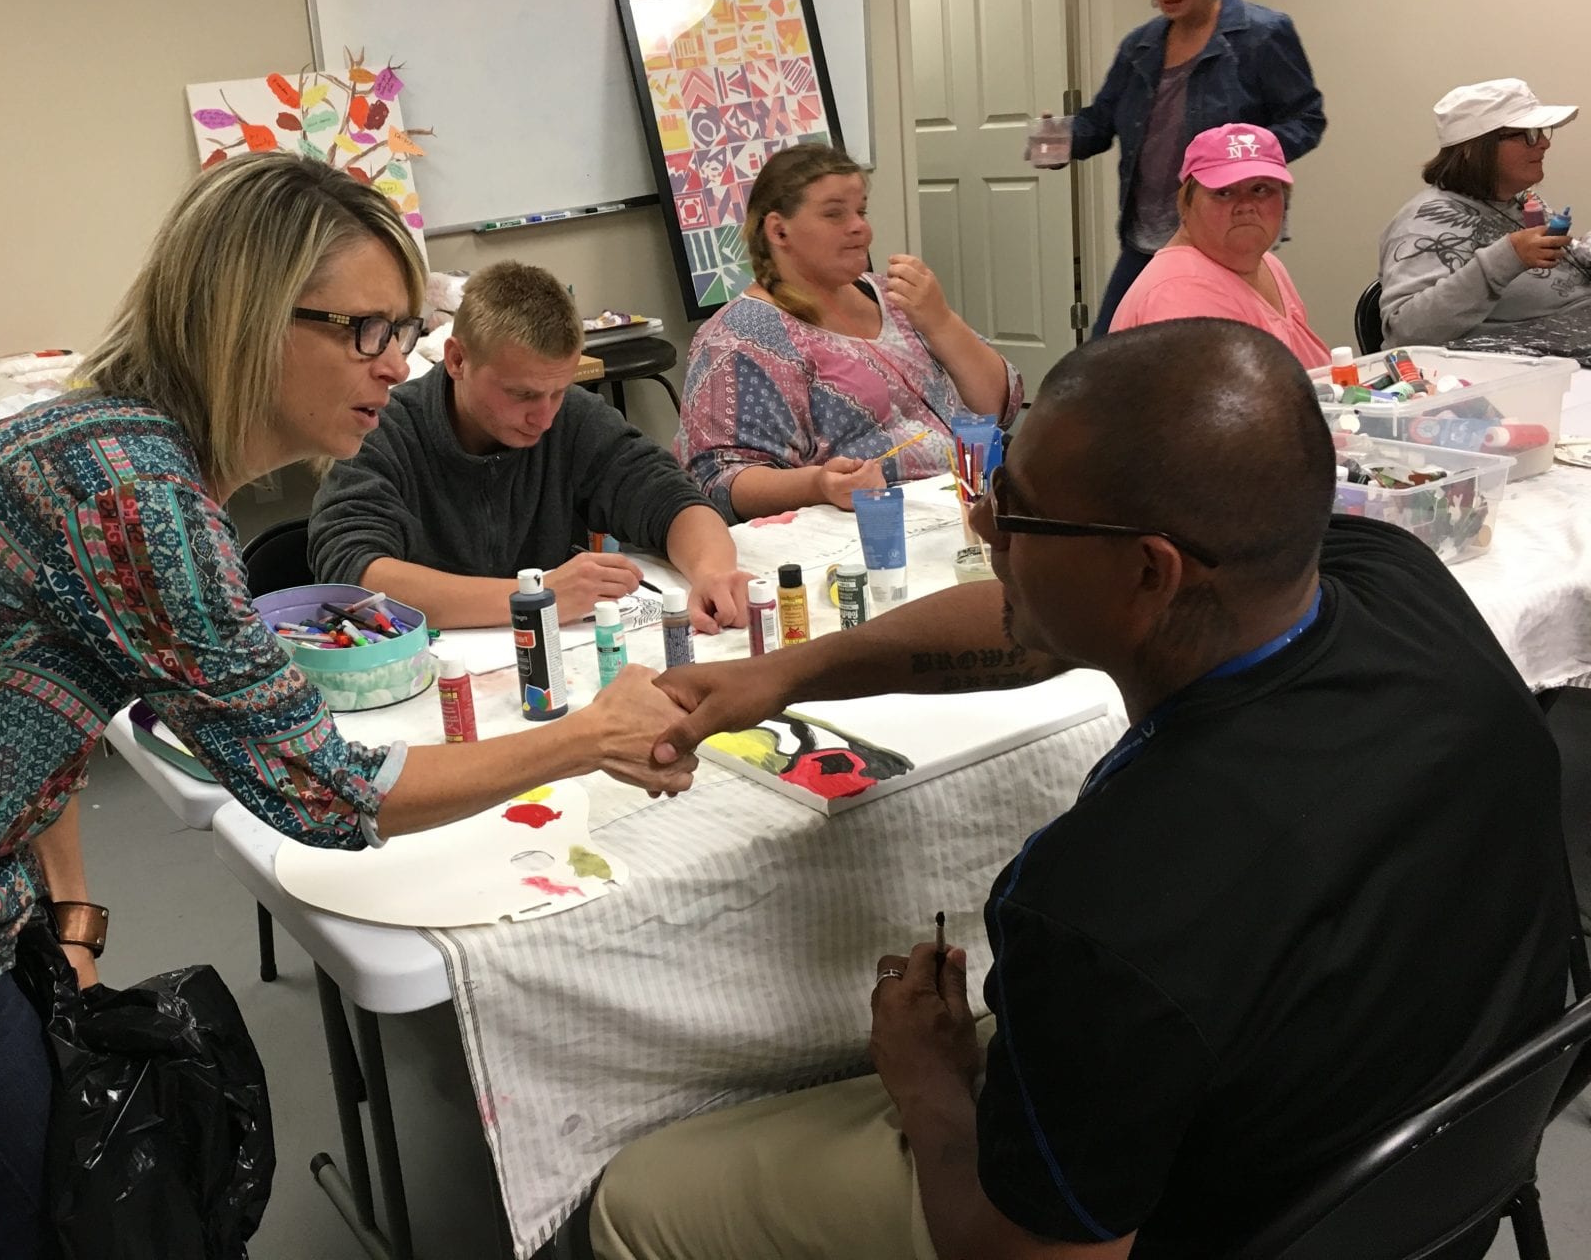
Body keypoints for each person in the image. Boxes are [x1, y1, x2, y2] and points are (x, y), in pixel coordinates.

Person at [0, 154, 691, 1260]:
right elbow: (328, 797)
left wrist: (68, 921)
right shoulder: (138, 500)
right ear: (246, 318)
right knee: (112, 1240)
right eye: (366, 331)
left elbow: (33, 714)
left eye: (404, 332)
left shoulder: (102, 443)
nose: (394, 364)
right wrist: (587, 737)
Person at [594, 319, 1570, 1260]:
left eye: (1012, 513)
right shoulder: (1383, 577)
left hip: (1209, 1223)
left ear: (1148, 572)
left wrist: (927, 1086)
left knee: (640, 1195)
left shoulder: (1100, 904)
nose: (983, 527)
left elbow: (1036, 1255)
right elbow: (1036, 624)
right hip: (1436, 1179)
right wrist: (791, 673)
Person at [308, 260, 752, 630]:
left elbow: (669, 497)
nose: (544, 416)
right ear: (458, 360)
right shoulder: (384, 430)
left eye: (557, 391)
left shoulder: (572, 417)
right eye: (521, 395)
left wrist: (713, 572)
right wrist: (538, 597)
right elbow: (356, 572)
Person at [672, 143, 1021, 520]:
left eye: (861, 211)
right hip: (867, 530)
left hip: (972, 502)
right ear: (779, 230)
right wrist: (818, 484)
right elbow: (720, 479)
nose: (860, 227)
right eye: (834, 214)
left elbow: (998, 408)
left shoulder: (898, 297)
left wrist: (940, 321)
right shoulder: (741, 337)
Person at [1062, 0, 1325, 335]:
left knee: (1218, 365)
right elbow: (1100, 123)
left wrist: (1246, 160)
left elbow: (1306, 120)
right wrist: (1054, 140)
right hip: (1147, 239)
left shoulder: (1262, 36)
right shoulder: (1139, 47)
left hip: (1227, 234)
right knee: (1108, 360)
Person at [1379, 77, 1585, 348]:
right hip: (1528, 370)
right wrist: (1506, 257)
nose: (1544, 143)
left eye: (1542, 131)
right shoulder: (1423, 221)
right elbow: (1405, 332)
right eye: (1528, 134)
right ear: (1472, 148)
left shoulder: (1519, 201)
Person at [1109, 123, 1330, 368]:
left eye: (1261, 189)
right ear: (1185, 204)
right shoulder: (1179, 294)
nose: (1245, 205)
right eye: (1224, 192)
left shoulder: (1268, 264)